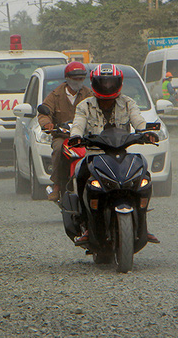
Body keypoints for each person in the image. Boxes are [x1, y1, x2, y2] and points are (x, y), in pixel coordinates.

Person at [69, 63, 160, 244]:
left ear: (119, 83)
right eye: (103, 82)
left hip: (121, 155)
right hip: (94, 156)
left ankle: (142, 224)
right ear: (95, 83)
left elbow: (138, 121)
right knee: (80, 176)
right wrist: (76, 137)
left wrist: (145, 132)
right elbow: (78, 124)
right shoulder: (84, 105)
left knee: (144, 176)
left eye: (111, 82)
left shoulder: (128, 103)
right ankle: (86, 225)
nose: (107, 86)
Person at [37, 62, 93, 202]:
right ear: (67, 78)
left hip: (85, 137)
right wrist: (47, 124)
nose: (78, 81)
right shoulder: (55, 95)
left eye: (81, 78)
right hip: (63, 136)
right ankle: (56, 186)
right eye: (75, 78)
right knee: (57, 148)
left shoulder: (89, 94)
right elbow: (44, 113)